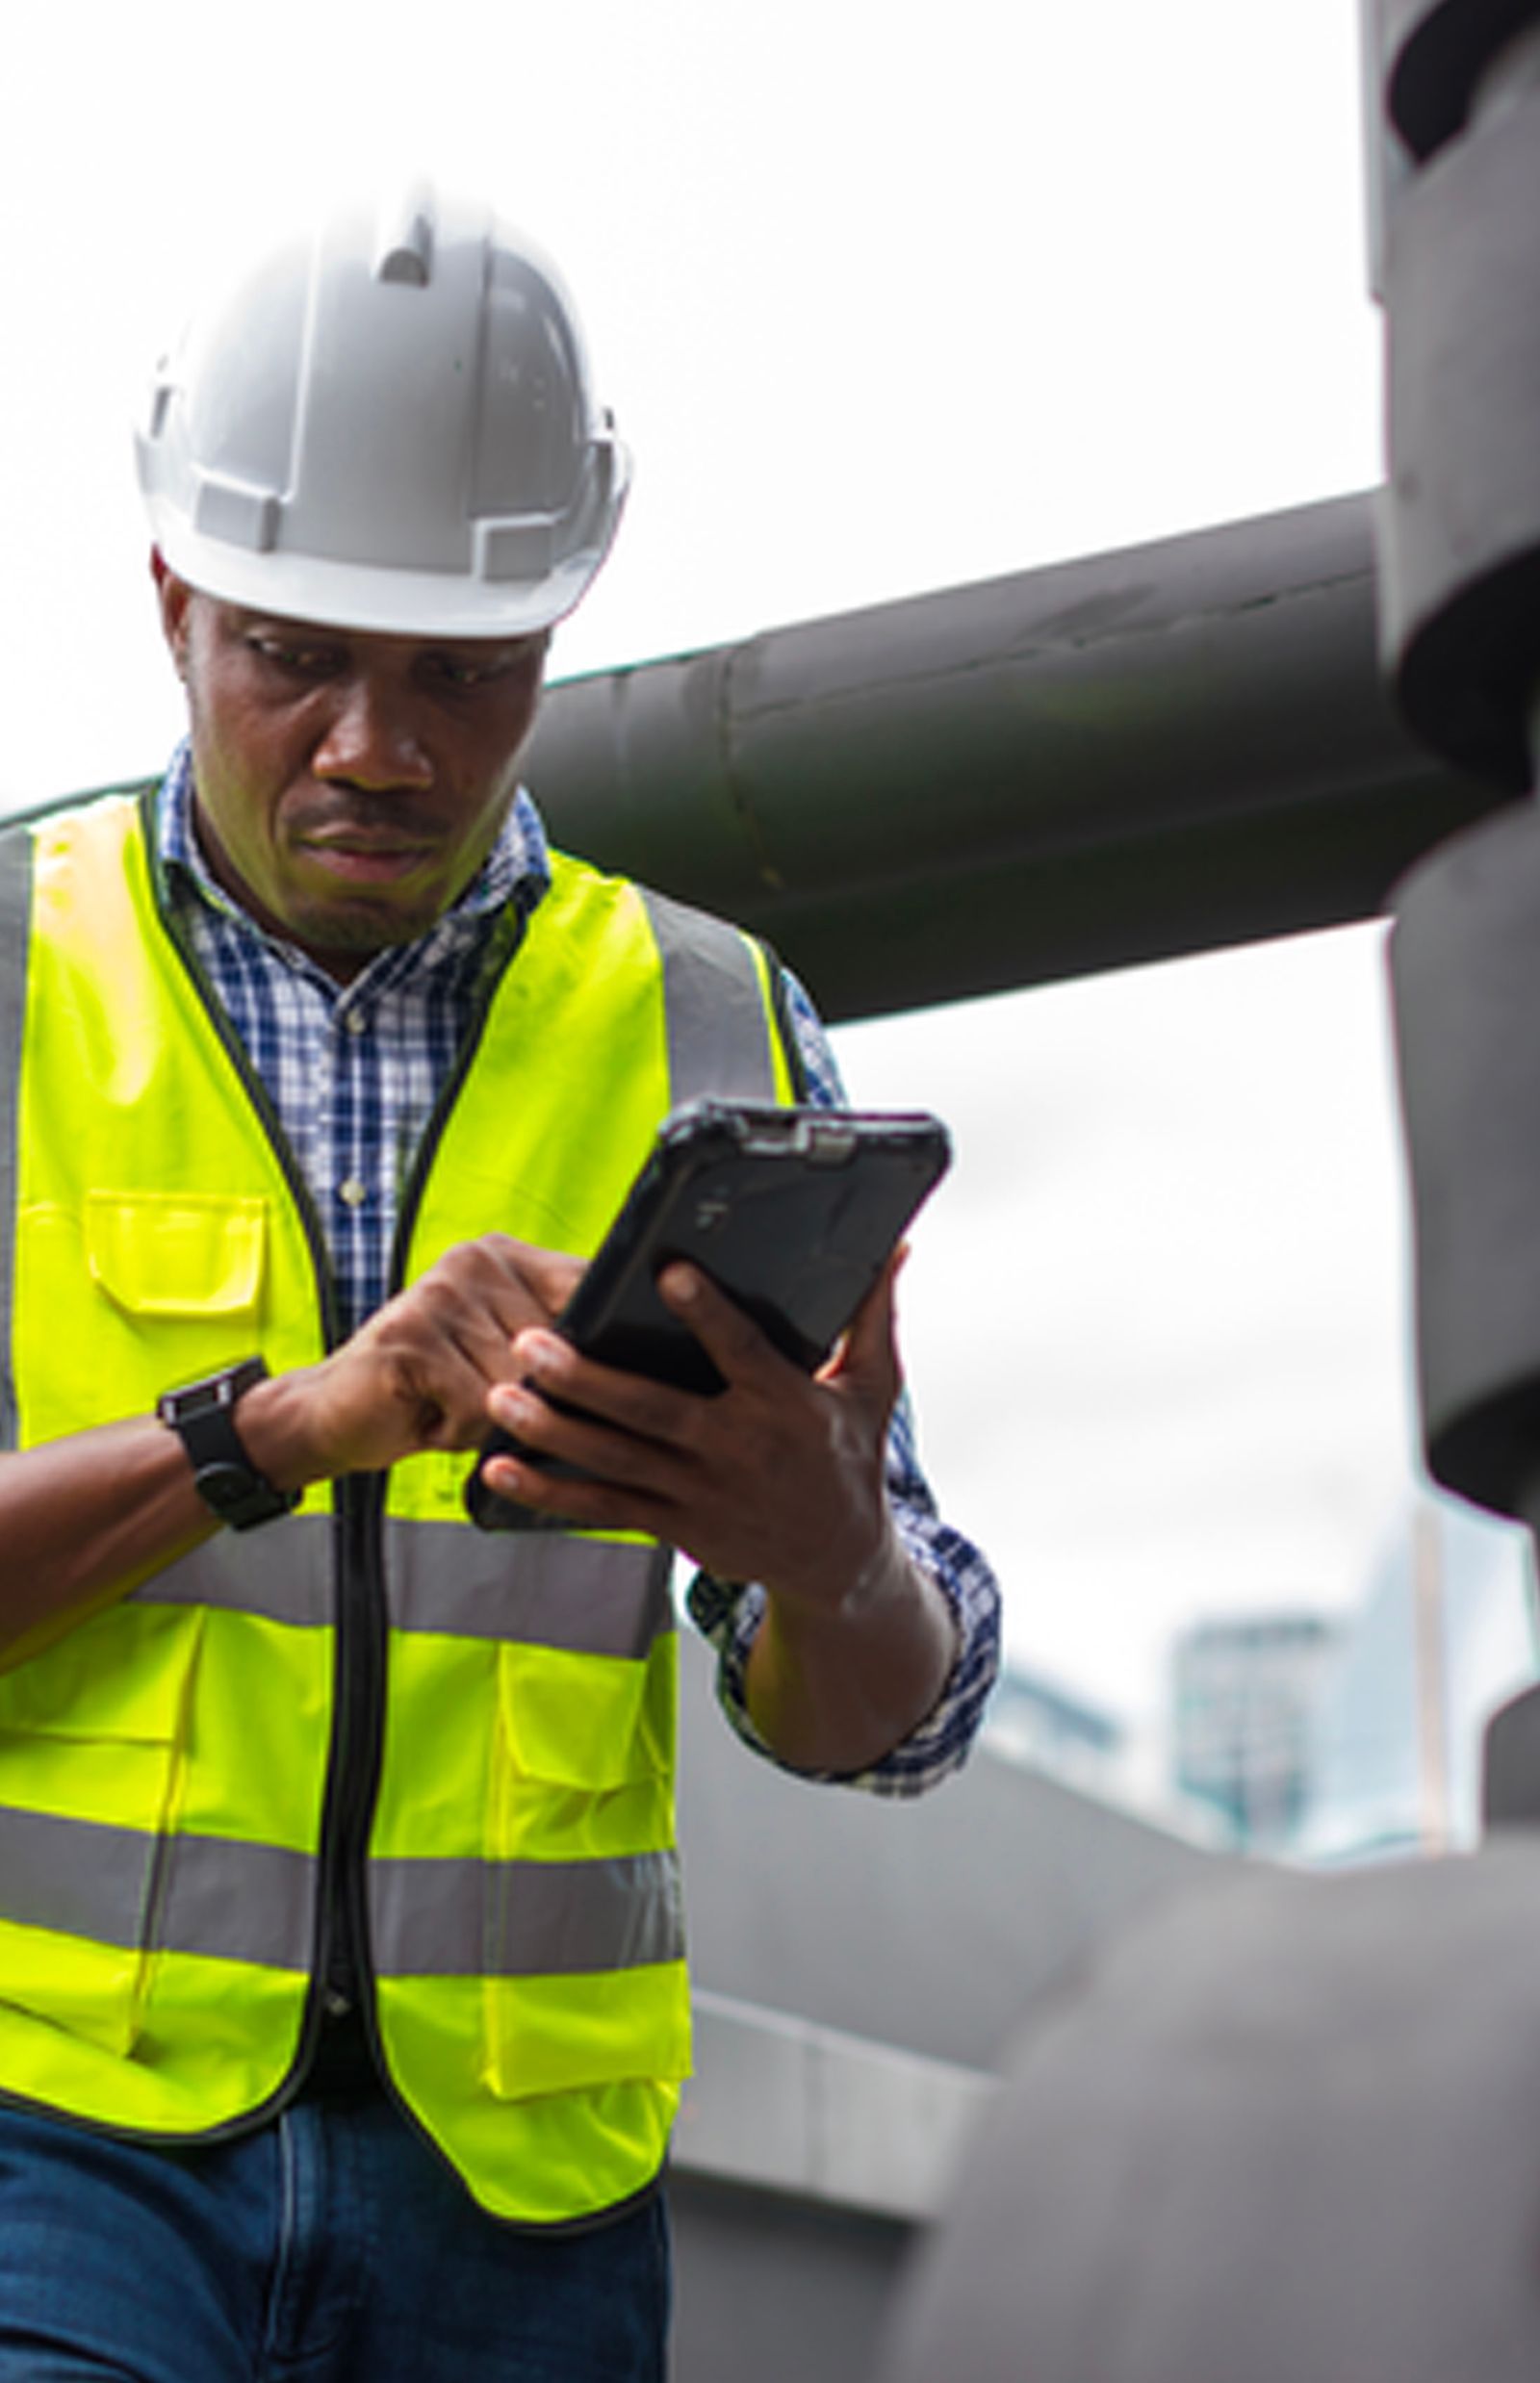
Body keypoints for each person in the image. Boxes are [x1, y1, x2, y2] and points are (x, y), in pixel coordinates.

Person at [0, 189, 1000, 2380]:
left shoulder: (719, 1024)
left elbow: (878, 1716)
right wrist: (264, 1433)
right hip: (50, 2147)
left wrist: (833, 1557)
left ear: (557, 636)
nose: (380, 747)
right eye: (296, 657)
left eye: (460, 672)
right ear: (174, 597)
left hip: (519, 2201)